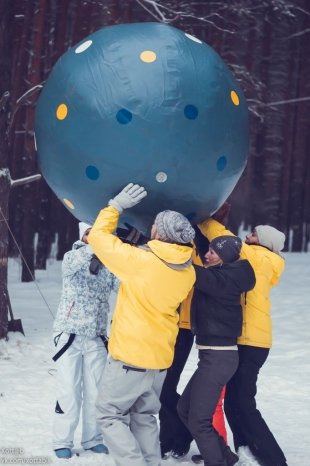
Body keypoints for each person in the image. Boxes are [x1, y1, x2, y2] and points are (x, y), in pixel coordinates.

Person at [87, 183, 196, 466]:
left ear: (161, 233)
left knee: (109, 414)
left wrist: (115, 206)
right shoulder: (187, 270)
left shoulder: (140, 262)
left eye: (157, 227)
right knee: (144, 415)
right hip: (159, 359)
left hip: (130, 358)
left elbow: (98, 238)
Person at [199, 213, 288, 466]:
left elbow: (223, 238)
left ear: (264, 243)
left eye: (253, 235)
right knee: (235, 402)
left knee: (243, 403)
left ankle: (274, 460)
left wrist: (203, 218)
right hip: (252, 340)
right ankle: (247, 450)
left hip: (251, 341)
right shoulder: (264, 260)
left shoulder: (259, 258)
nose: (247, 237)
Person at [177, 235, 256, 466]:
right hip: (212, 356)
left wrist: (167, 251)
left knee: (199, 420)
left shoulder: (222, 278)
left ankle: (217, 462)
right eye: (208, 250)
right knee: (185, 408)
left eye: (214, 252)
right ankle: (225, 457)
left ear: (227, 257)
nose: (207, 255)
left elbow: (193, 272)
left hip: (219, 357)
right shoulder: (224, 272)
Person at [158, 225, 227, 460]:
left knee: (164, 387)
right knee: (161, 387)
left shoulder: (195, 248)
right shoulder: (169, 246)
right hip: (163, 325)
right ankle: (171, 438)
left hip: (183, 328)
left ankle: (177, 435)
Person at [52, 222, 119, 459]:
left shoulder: (108, 264)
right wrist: (99, 243)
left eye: (101, 234)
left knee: (96, 392)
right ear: (84, 235)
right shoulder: (73, 257)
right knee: (69, 390)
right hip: (69, 334)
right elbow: (77, 262)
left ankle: (93, 439)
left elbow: (121, 286)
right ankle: (62, 440)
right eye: (92, 233)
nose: (98, 237)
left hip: (96, 337)